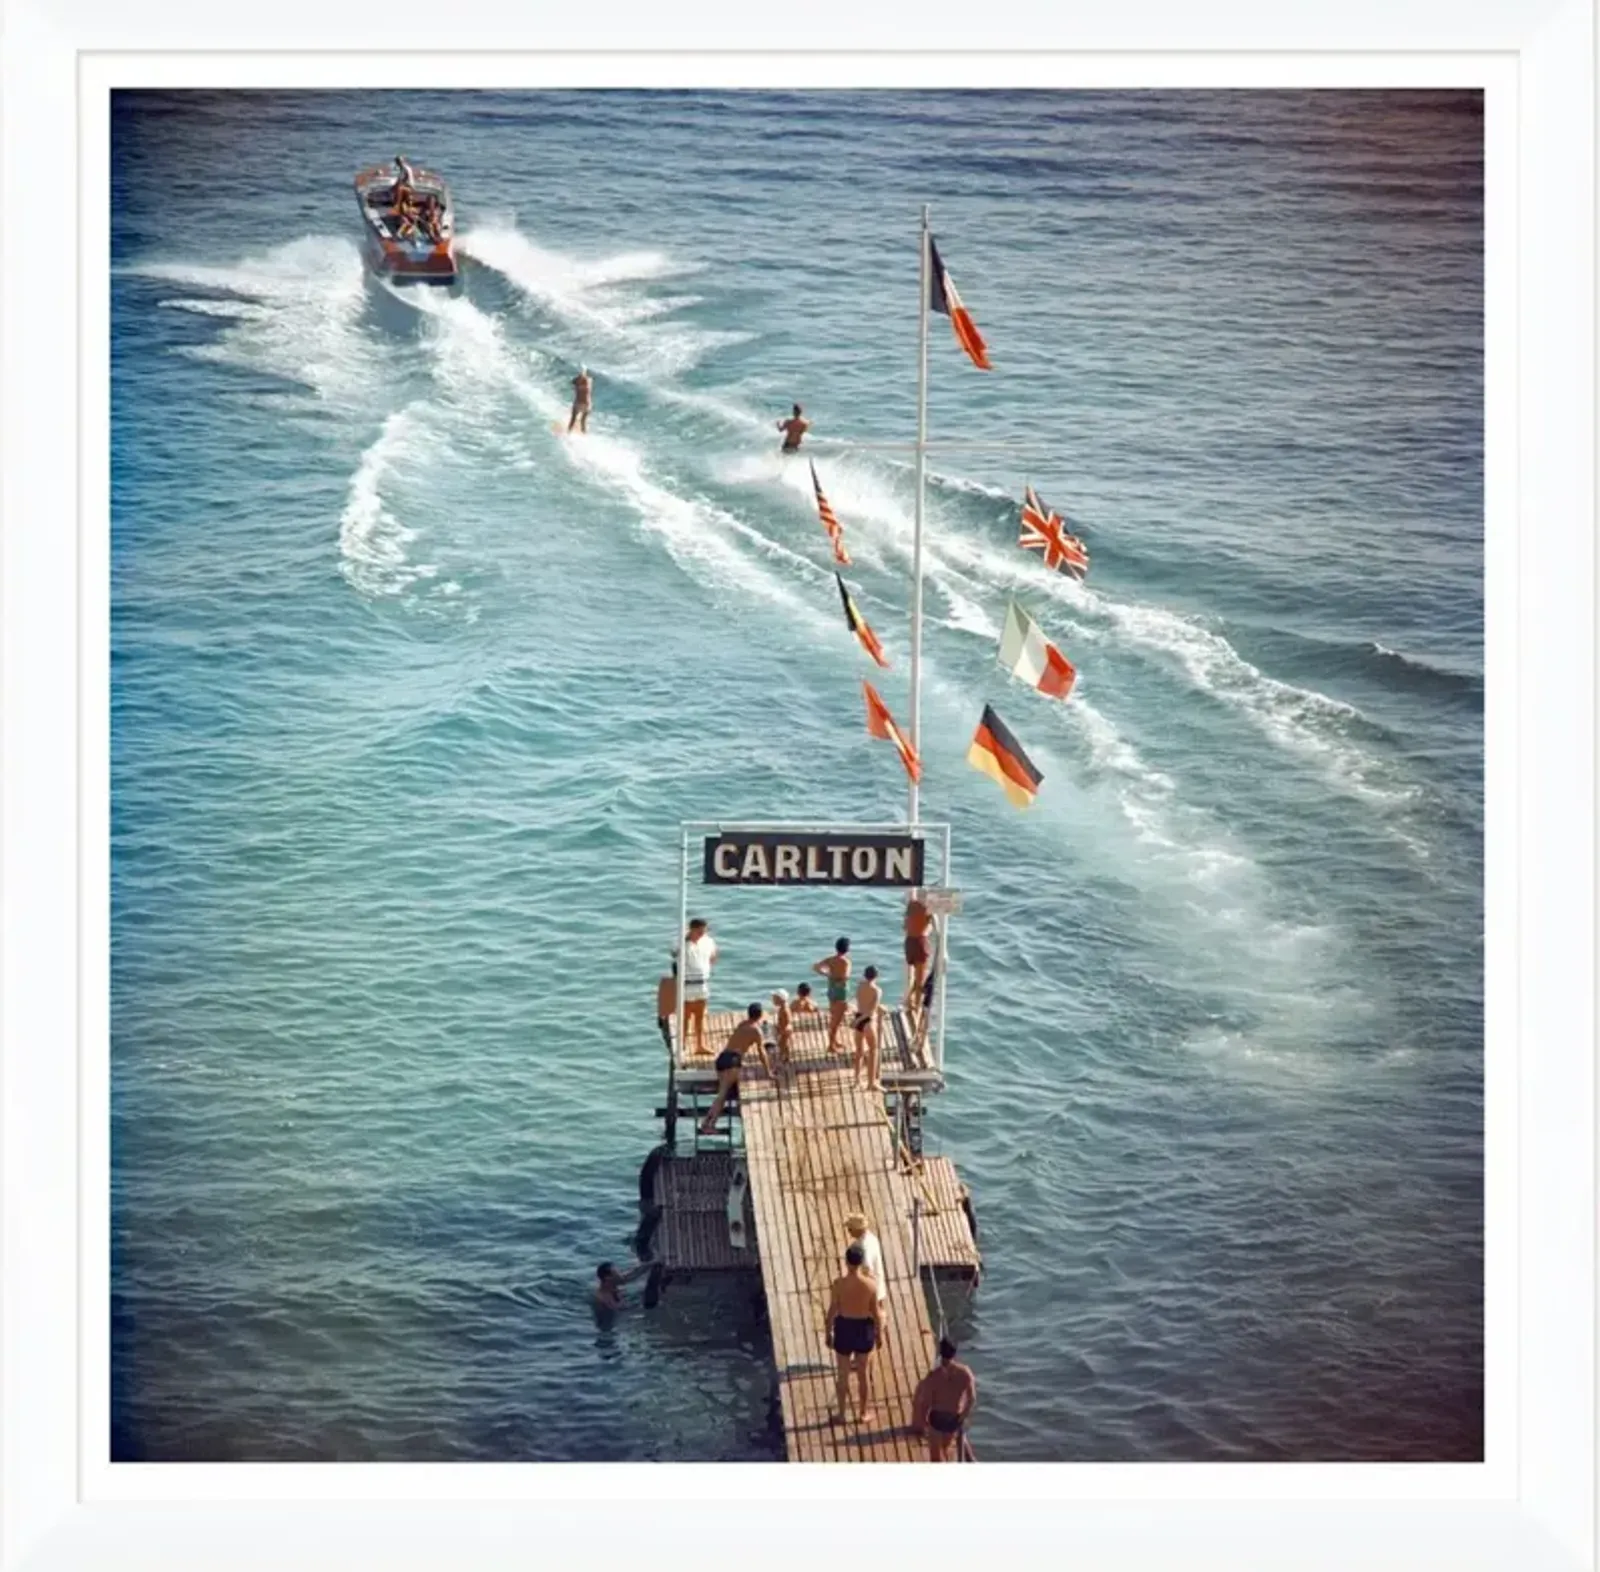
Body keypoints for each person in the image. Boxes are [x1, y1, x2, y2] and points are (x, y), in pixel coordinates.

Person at [825, 1243, 884, 1426]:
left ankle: (842, 1414)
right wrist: (879, 1335)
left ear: (846, 1262)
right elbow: (876, 1315)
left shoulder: (838, 1285)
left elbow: (831, 1312)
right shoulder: (870, 1285)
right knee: (863, 1374)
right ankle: (863, 1413)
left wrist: (828, 1332)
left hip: (843, 1327)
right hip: (863, 1329)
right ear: (861, 1262)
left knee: (842, 1374)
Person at [699, 1003, 773, 1134]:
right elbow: (762, 1053)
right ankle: (707, 1124)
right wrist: (768, 1072)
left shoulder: (742, 1024)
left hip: (723, 1058)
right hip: (732, 1062)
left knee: (722, 1093)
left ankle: (709, 1123)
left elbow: (737, 1043)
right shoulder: (756, 1030)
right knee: (722, 1095)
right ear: (760, 1015)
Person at [912, 1338, 977, 1461]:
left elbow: (926, 1401)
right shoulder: (965, 1373)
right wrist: (963, 1416)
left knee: (935, 1458)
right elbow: (972, 1398)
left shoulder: (934, 1375)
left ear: (940, 1353)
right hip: (953, 1419)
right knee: (945, 1449)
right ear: (954, 1353)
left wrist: (923, 1420)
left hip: (937, 1418)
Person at [680, 917, 718, 1056]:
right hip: (687, 985)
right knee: (685, 1017)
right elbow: (673, 952)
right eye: (699, 931)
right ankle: (682, 1044)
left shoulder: (707, 941)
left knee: (700, 1016)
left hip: (702, 984)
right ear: (692, 929)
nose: (702, 933)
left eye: (704, 931)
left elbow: (714, 956)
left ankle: (700, 1045)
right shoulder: (683, 943)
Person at [844, 1211, 888, 1323]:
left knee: (870, 1320)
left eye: (850, 1229)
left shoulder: (862, 1246)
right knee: (879, 1316)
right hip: (878, 1286)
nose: (849, 1232)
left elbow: (867, 1269)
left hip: (867, 1291)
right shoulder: (872, 1238)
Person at [811, 937, 852, 1054]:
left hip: (831, 990)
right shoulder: (846, 962)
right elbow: (846, 977)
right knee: (836, 1021)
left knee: (834, 1017)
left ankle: (834, 1041)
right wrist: (839, 981)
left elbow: (815, 967)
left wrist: (828, 975)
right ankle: (830, 1046)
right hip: (840, 993)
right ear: (847, 949)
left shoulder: (831, 959)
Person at [851, 965, 883, 1088]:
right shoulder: (877, 990)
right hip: (868, 1021)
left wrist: (857, 1020)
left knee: (859, 1052)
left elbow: (860, 1003)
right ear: (876, 976)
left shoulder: (860, 986)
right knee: (873, 1052)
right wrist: (860, 1019)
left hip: (858, 1018)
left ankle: (856, 1081)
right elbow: (870, 1011)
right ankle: (871, 1083)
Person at [903, 889, 933, 1014]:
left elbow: (905, 925)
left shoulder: (911, 906)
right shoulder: (927, 910)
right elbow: (927, 924)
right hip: (920, 943)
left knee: (915, 974)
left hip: (909, 942)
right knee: (920, 977)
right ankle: (916, 1005)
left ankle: (909, 999)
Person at [656, 959, 677, 1050]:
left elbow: (660, 999)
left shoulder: (664, 982)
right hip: (677, 1019)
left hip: (665, 1019)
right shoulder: (684, 985)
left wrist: (659, 1016)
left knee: (671, 1047)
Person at [770, 989, 793, 1066]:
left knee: (781, 1045)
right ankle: (787, 1058)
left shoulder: (784, 1009)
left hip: (785, 1030)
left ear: (780, 999)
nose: (773, 1000)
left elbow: (787, 1021)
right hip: (784, 1029)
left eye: (774, 998)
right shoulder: (783, 1008)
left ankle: (780, 1061)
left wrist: (781, 1030)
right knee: (785, 1045)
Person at [568, 365, 594, 434]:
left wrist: (575, 386)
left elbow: (573, 384)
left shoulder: (578, 380)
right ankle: (584, 435)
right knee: (582, 421)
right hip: (587, 403)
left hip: (580, 403)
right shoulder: (589, 380)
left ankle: (568, 433)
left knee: (574, 419)